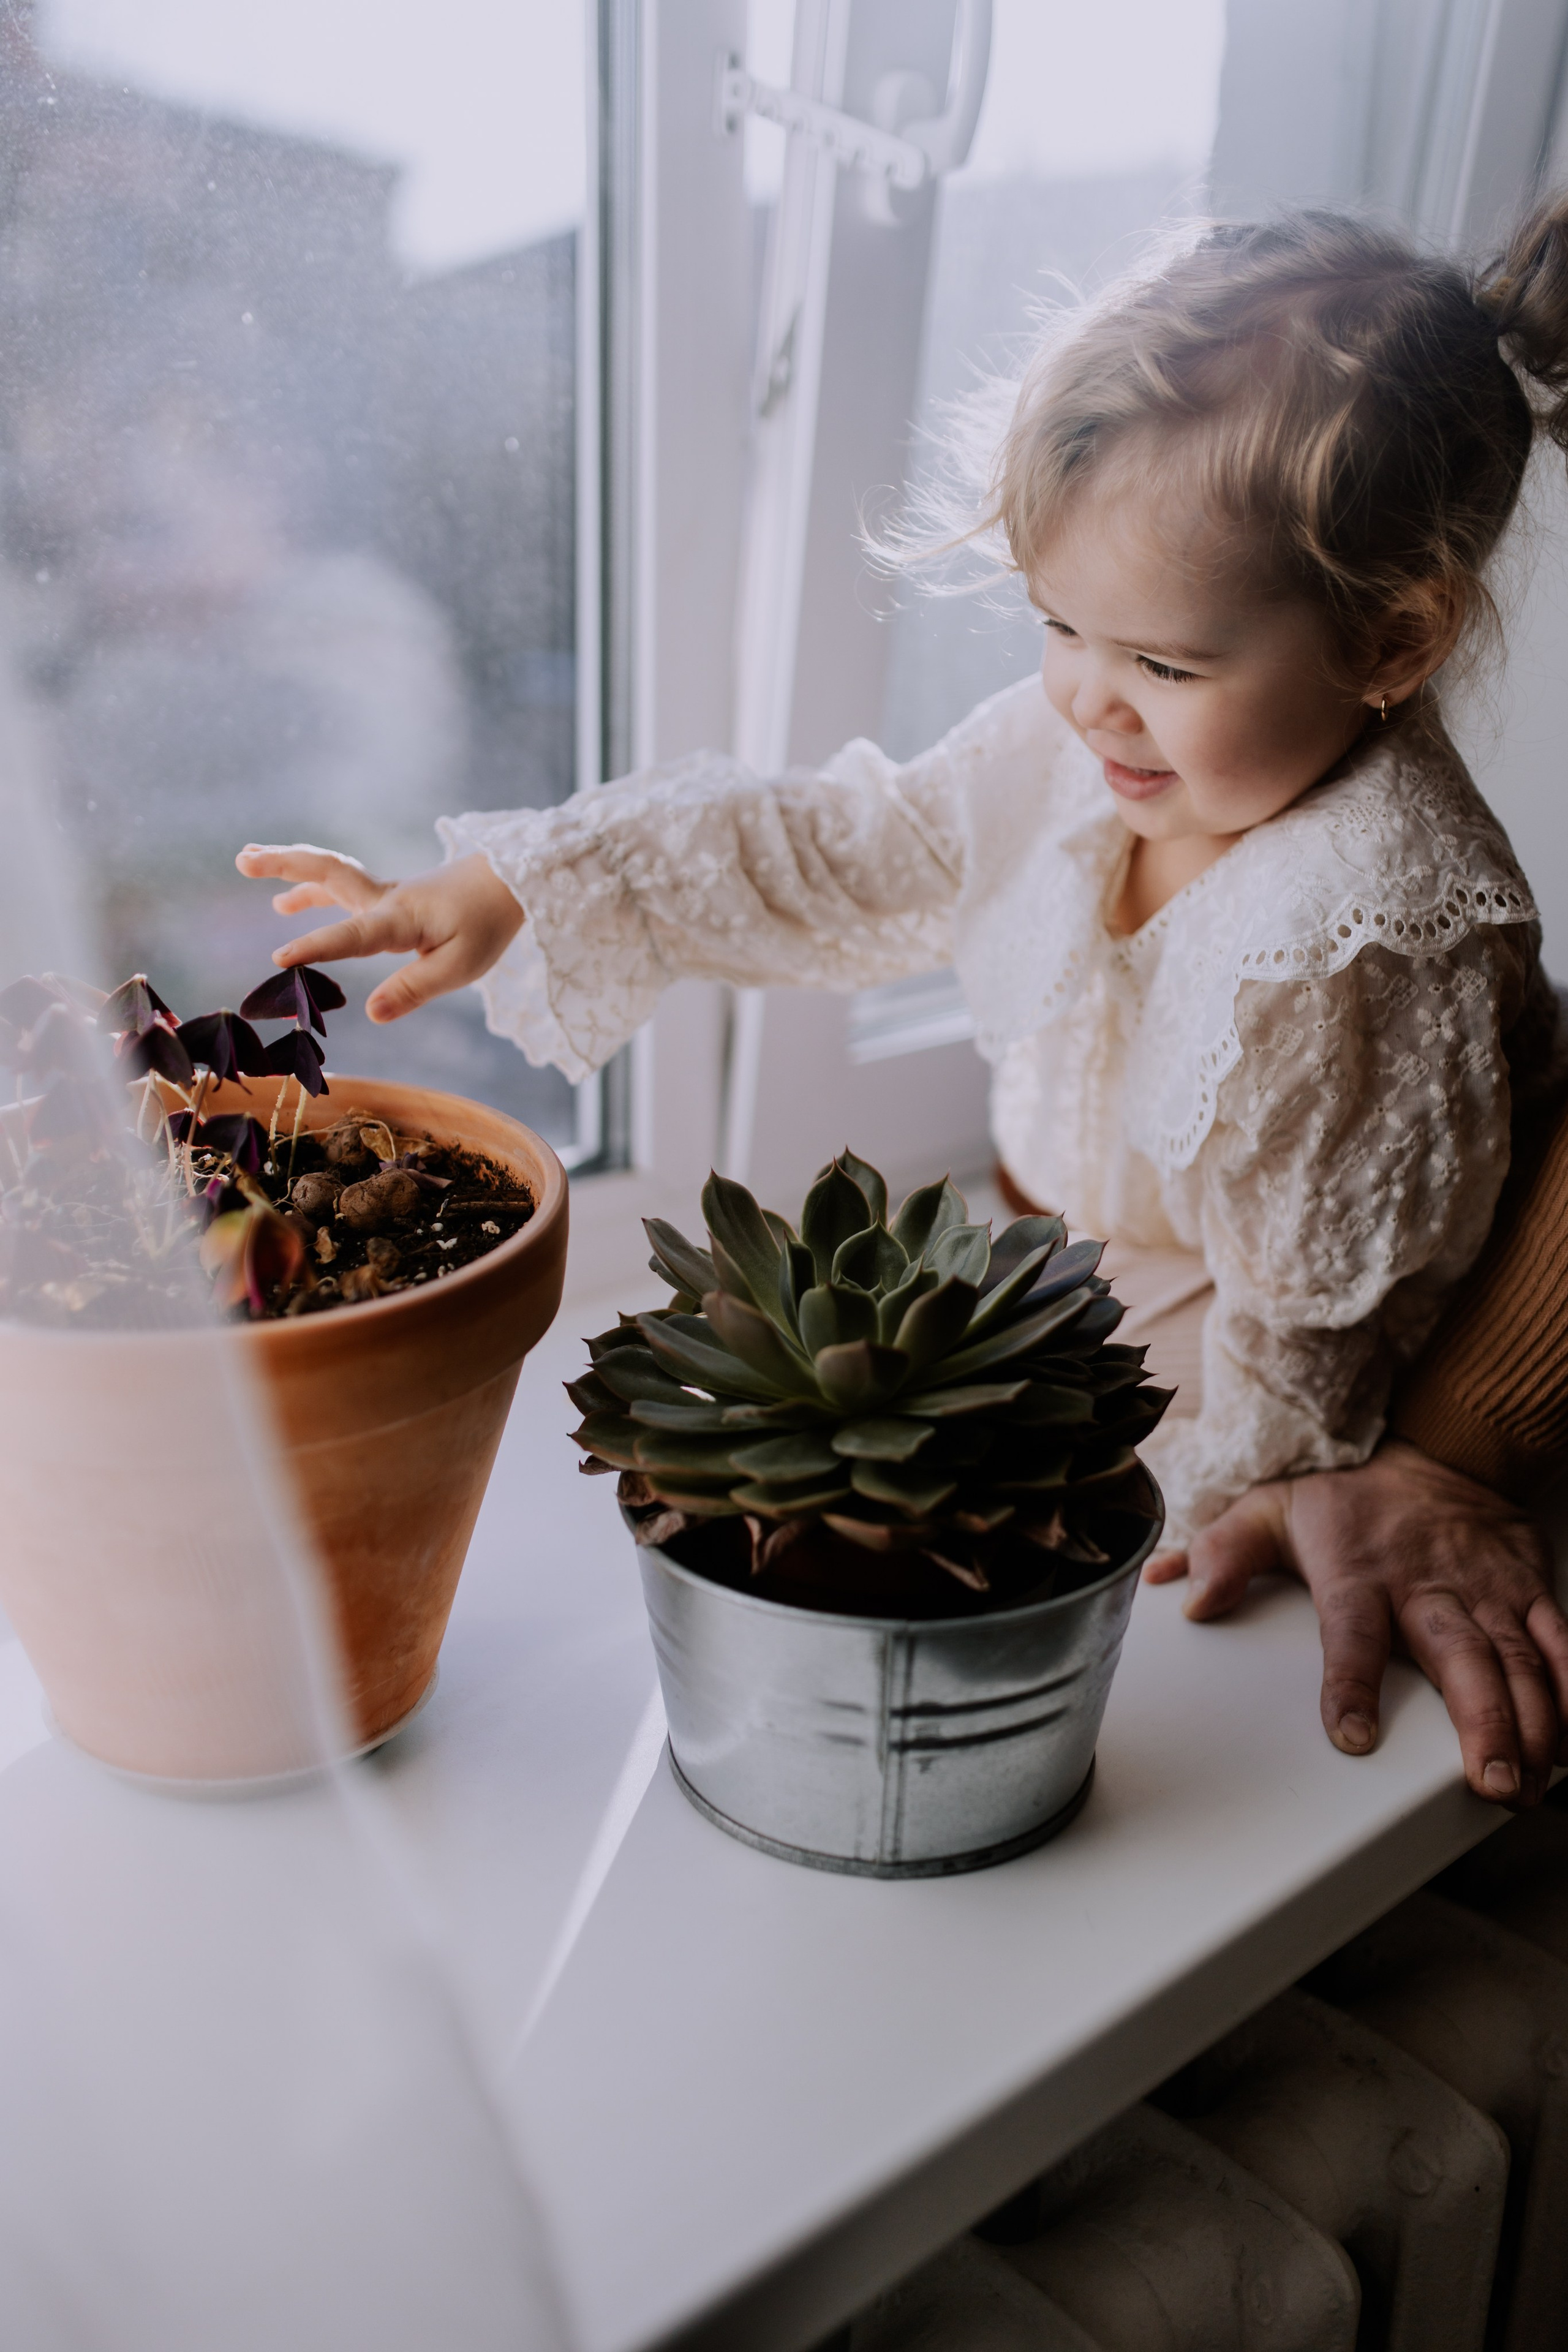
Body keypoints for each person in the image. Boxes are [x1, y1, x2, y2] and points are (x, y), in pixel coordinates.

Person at [239, 205, 1568, 1792]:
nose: (1086, 692)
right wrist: (536, 880)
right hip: (1119, 1263)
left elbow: (1323, 1312)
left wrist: (1241, 1484)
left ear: (1390, 641)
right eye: (1058, 621)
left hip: (1301, 1353)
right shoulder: (1090, 747)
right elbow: (857, 844)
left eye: (1165, 661)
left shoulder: (1361, 934)